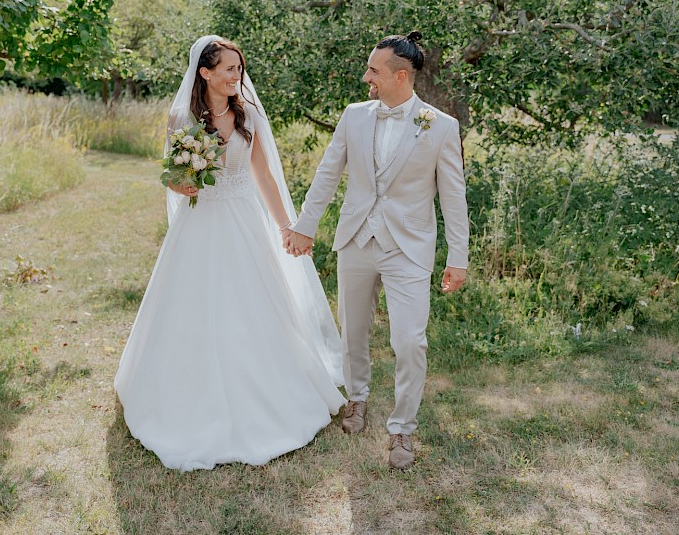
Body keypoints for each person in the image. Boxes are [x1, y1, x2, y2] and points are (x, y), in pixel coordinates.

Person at [114, 35, 345, 471]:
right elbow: (171, 174)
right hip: (200, 222)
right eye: (228, 70)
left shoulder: (249, 115)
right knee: (193, 305)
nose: (237, 77)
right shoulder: (181, 116)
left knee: (253, 305)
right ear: (205, 73)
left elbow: (264, 177)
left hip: (243, 220)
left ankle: (271, 392)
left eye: (239, 69)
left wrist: (285, 226)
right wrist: (181, 182)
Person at [285, 31, 469, 470]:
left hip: (409, 248)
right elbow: (327, 174)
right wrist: (305, 227)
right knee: (353, 331)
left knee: (410, 341)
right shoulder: (354, 117)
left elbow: (453, 198)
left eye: (373, 70)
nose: (366, 76)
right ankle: (357, 399)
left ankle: (403, 428)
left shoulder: (440, 126)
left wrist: (457, 257)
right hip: (356, 240)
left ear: (400, 76)